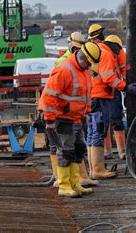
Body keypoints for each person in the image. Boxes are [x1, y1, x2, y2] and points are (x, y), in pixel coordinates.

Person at [38, 42, 100, 198]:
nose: (90, 66)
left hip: (76, 118)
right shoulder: (64, 70)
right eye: (89, 62)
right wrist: (50, 119)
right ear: (82, 57)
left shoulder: (84, 70)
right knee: (65, 151)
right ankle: (64, 185)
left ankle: (75, 183)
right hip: (62, 118)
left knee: (78, 149)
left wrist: (86, 113)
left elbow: (85, 95)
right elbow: (49, 96)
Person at [86, 33, 125, 179]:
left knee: (92, 132)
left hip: (93, 96)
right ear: (114, 47)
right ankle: (98, 170)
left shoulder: (99, 51)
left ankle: (95, 168)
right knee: (98, 131)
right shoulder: (107, 54)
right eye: (118, 51)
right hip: (100, 96)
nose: (118, 54)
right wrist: (124, 87)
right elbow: (109, 78)